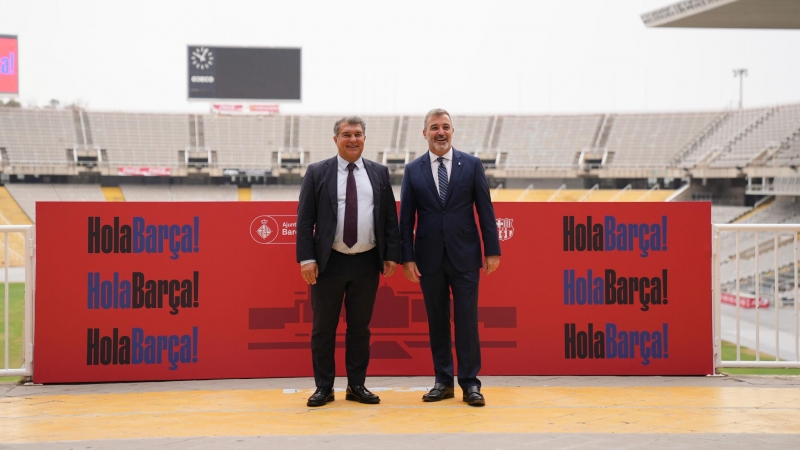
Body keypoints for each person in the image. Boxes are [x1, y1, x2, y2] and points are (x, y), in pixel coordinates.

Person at [399, 108, 501, 407]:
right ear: (425, 133)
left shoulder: (471, 165)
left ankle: (470, 383)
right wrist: (407, 257)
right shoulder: (413, 170)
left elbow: (485, 210)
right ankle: (443, 382)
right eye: (434, 127)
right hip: (428, 258)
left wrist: (492, 249)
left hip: (466, 256)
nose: (440, 132)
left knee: (467, 321)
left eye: (445, 127)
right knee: (437, 322)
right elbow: (406, 219)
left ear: (452, 131)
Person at [296, 116, 400, 407]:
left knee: (359, 329)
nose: (352, 139)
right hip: (329, 263)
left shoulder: (379, 173)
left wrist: (392, 254)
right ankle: (324, 387)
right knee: (323, 329)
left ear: (365, 138)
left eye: (358, 134)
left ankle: (356, 385)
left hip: (368, 262)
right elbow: (304, 220)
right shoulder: (317, 172)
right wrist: (307, 259)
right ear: (336, 139)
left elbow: (390, 217)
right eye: (346, 134)